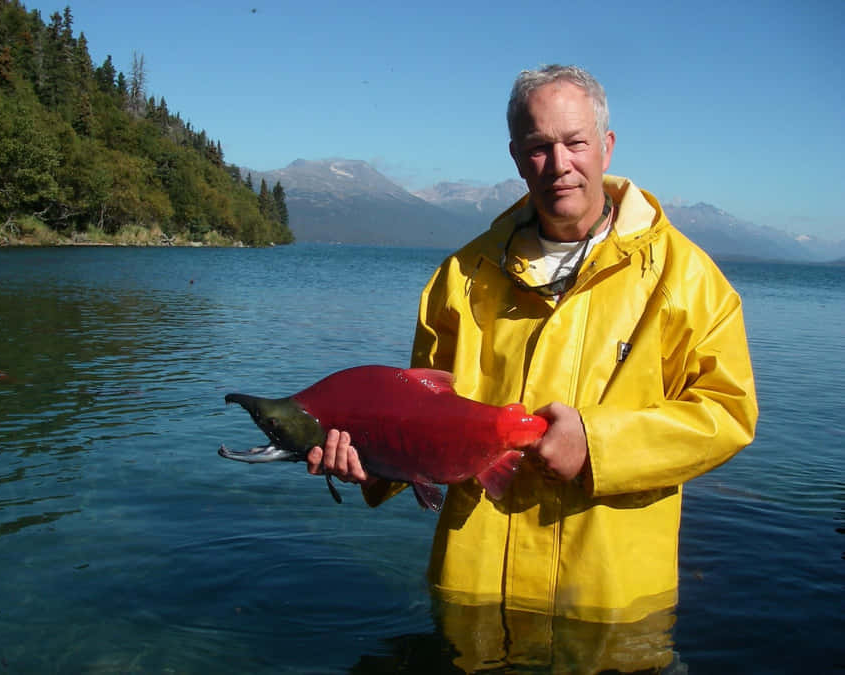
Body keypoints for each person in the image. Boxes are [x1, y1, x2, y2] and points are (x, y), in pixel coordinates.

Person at [306, 64, 758, 640]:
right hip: (472, 592)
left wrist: (598, 446)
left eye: (575, 142)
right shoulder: (460, 278)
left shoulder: (686, 277)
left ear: (607, 147)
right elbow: (415, 418)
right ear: (518, 159)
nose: (560, 164)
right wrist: (370, 463)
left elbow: (728, 414)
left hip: (611, 600)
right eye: (539, 147)